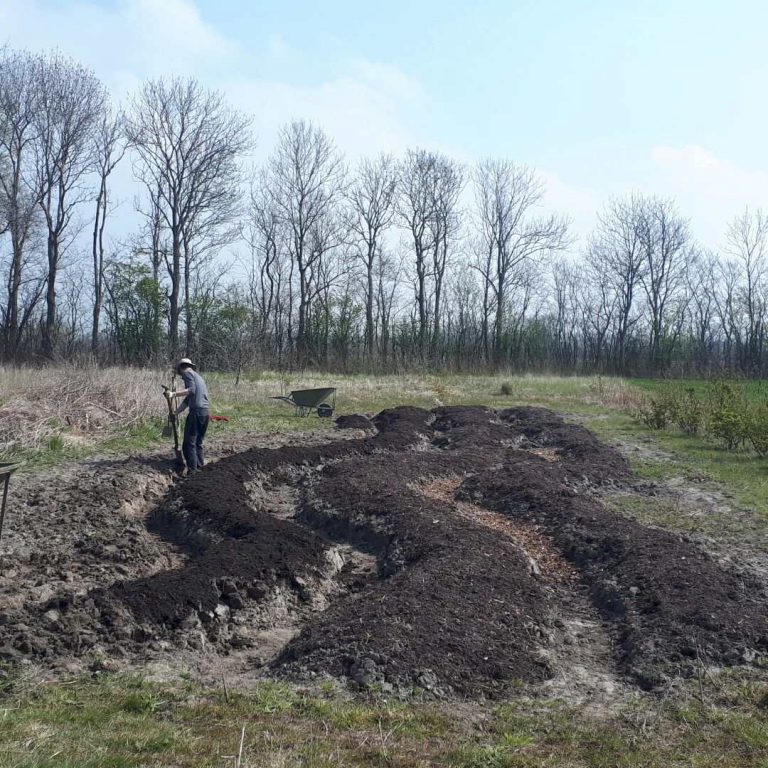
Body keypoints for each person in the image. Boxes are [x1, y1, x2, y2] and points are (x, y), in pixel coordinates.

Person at [169, 357, 210, 472]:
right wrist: (176, 412)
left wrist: (173, 394)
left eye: (179, 372)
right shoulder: (198, 377)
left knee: (189, 443)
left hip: (196, 412)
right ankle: (200, 468)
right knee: (198, 443)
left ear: (181, 368)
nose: (181, 377)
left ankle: (192, 471)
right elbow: (188, 400)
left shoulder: (187, 373)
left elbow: (191, 390)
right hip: (205, 412)